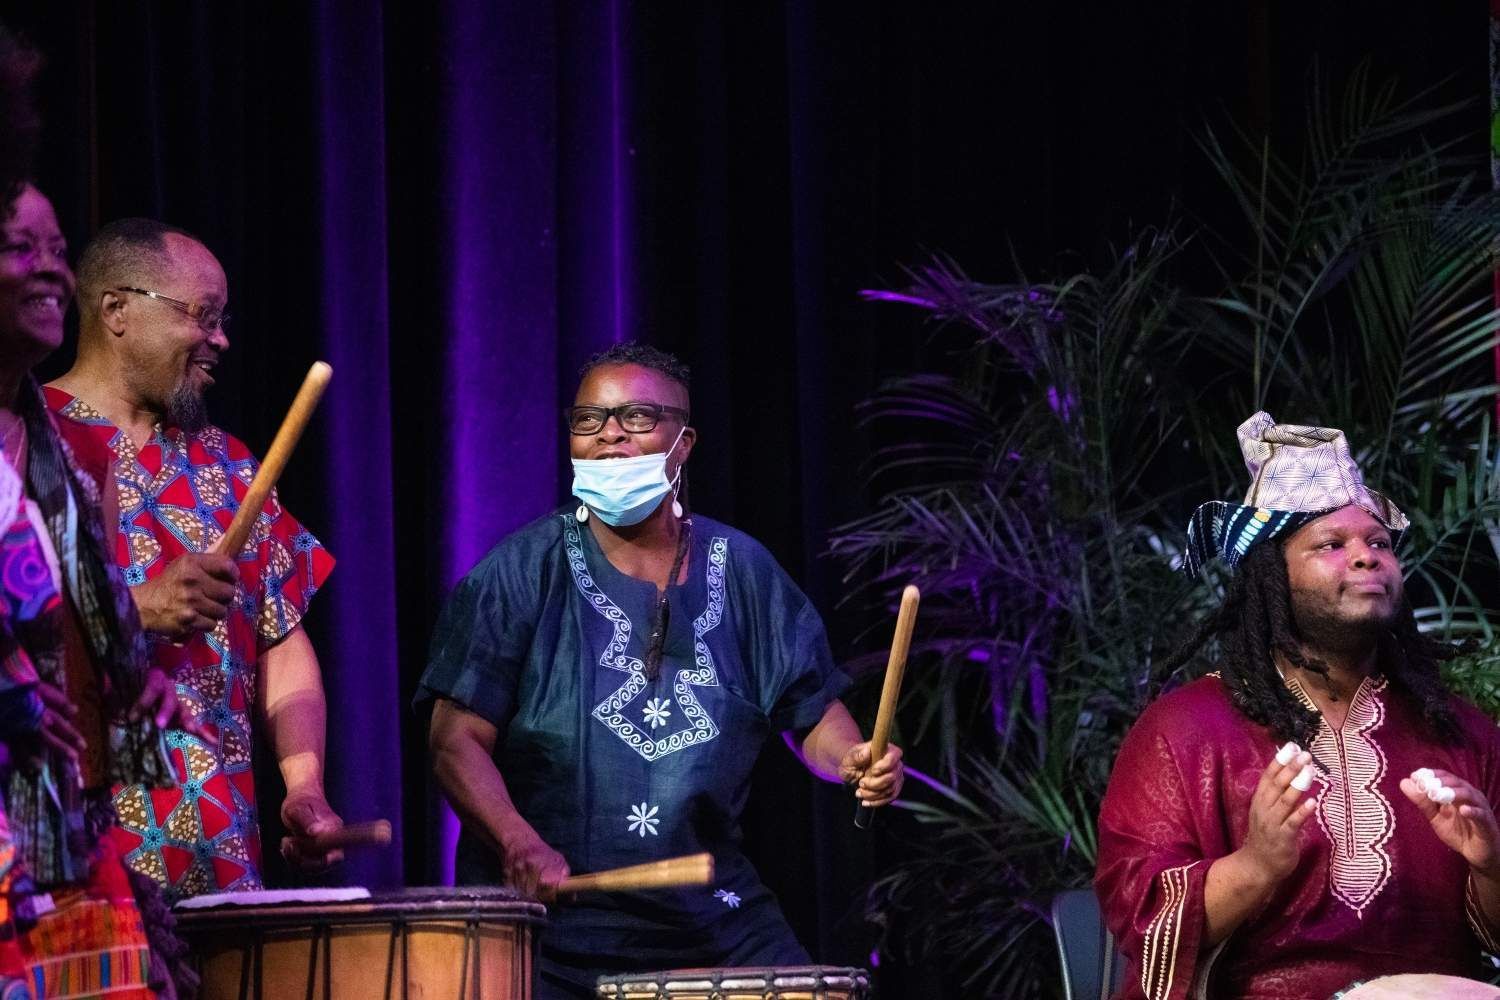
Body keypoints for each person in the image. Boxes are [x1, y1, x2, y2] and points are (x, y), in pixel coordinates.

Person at [417, 342, 905, 999]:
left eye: (637, 416)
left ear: (685, 444)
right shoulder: (519, 572)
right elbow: (454, 740)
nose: (609, 432)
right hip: (548, 925)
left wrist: (853, 758)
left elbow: (811, 710)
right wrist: (517, 843)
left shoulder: (743, 569)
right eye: (588, 418)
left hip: (706, 908)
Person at [1095, 412, 1500, 1000]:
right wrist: (1255, 866)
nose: (1366, 557)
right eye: (1331, 544)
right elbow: (1141, 918)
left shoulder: (1463, 732)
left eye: (1379, 542)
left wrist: (1491, 864)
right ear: (1272, 577)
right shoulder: (1182, 730)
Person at [44, 217, 342, 902]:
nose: (220, 340)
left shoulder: (231, 465)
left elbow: (282, 643)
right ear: (117, 309)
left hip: (222, 851)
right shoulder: (29, 442)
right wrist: (138, 608)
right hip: (80, 857)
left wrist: (304, 785)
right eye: (202, 316)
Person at [0, 181, 202, 997]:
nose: (53, 272)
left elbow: (59, 628)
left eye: (57, 249)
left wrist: (131, 680)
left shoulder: (62, 455)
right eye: (22, 248)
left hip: (62, 836)